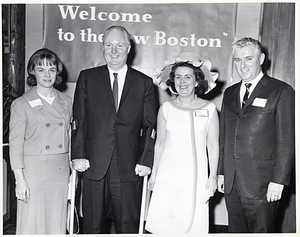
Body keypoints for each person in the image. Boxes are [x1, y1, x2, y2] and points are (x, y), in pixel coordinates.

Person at [71, 25, 157, 234]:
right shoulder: (87, 78)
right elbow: (79, 120)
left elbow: (149, 126)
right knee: (92, 225)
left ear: (129, 48)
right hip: (93, 163)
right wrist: (78, 155)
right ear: (102, 47)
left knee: (127, 224)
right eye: (109, 45)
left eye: (120, 45)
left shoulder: (144, 83)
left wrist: (145, 160)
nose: (114, 50)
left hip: (128, 166)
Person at [217, 37, 295, 233]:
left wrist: (278, 181)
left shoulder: (281, 91)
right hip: (232, 184)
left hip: (262, 185)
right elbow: (224, 137)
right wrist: (221, 172)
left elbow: (287, 142)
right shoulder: (229, 93)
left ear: (261, 59)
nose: (242, 66)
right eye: (237, 60)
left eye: (248, 59)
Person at [145, 52, 219, 234]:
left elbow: (213, 146)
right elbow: (160, 143)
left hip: (196, 177)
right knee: (166, 223)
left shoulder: (210, 109)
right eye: (178, 77)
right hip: (168, 176)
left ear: (197, 81)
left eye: (188, 77)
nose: (182, 82)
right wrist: (154, 175)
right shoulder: (166, 109)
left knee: (193, 224)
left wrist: (213, 177)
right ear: (173, 81)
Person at [9, 48, 72, 234]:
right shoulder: (21, 104)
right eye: (41, 69)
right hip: (33, 171)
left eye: (51, 69)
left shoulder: (66, 101)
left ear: (57, 72)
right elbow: (15, 144)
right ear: (32, 71)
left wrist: (72, 174)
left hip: (59, 171)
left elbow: (69, 135)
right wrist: (19, 180)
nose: (47, 74)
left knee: (56, 221)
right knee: (31, 221)